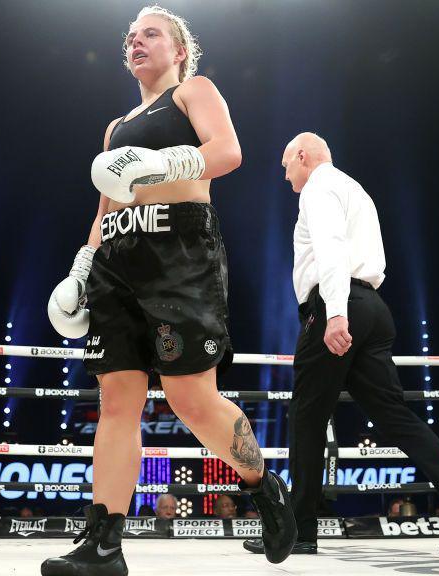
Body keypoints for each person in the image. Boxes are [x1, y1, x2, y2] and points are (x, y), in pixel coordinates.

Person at [43, 7, 296, 574]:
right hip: (116, 260)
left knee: (190, 399)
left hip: (180, 255)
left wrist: (164, 162)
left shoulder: (194, 92)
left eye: (150, 33)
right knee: (116, 404)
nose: (135, 41)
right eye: (130, 36)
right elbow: (106, 205)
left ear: (179, 49)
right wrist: (81, 270)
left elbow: (227, 152)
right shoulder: (116, 127)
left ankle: (261, 483)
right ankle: (103, 544)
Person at [247, 132, 439, 557]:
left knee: (306, 417)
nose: (285, 175)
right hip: (375, 307)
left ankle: (300, 531)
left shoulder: (319, 189)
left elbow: (331, 248)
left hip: (336, 302)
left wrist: (336, 311)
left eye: (287, 164)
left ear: (303, 156)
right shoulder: (355, 190)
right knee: (395, 416)